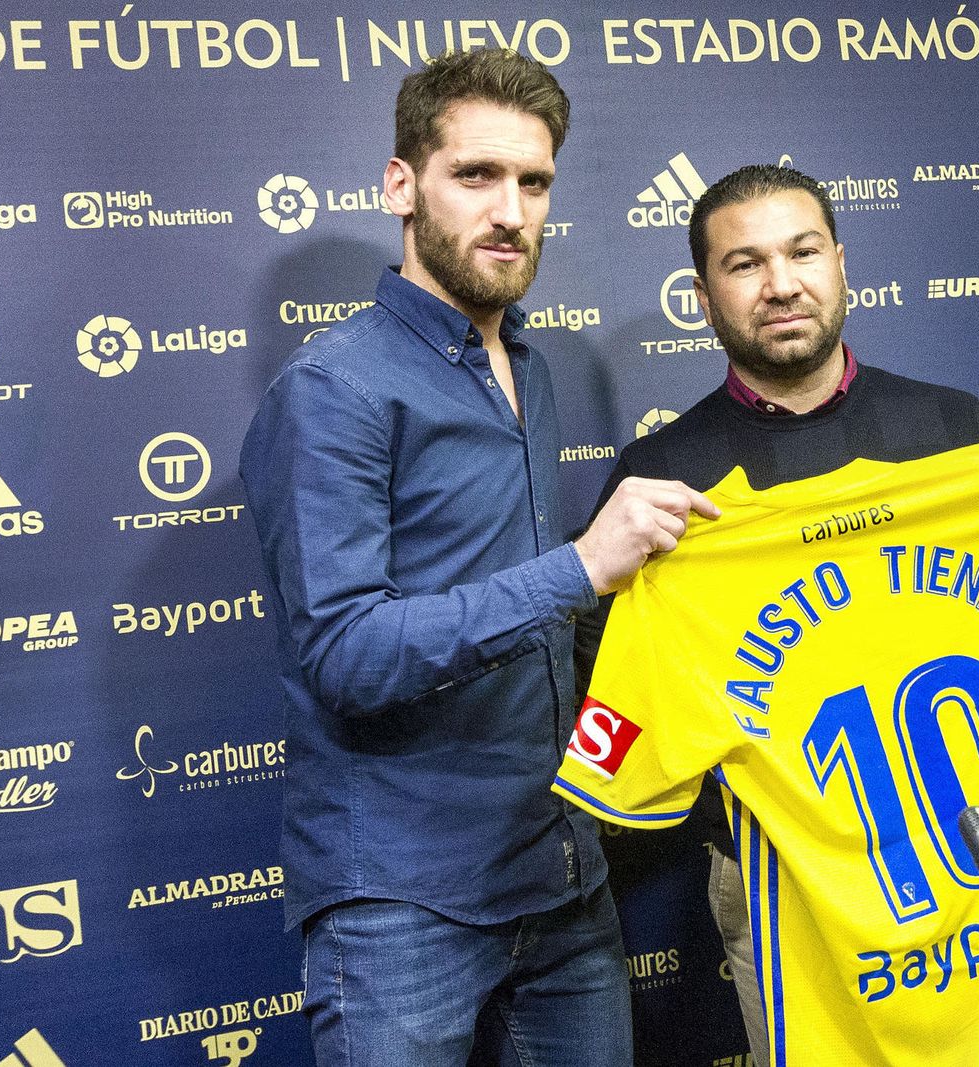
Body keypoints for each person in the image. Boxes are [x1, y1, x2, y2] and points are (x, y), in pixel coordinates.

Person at [573, 164, 979, 1065]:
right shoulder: (664, 477)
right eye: (744, 264)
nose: (781, 284)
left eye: (802, 252)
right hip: (787, 881)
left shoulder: (960, 430)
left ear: (842, 263)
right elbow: (610, 684)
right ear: (703, 295)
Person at [240, 49, 715, 1067]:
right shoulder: (335, 389)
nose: (509, 210)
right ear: (401, 186)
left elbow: (530, 615)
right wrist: (582, 568)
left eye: (532, 182)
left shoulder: (529, 368)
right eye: (475, 175)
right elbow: (348, 657)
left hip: (560, 872)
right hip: (401, 905)